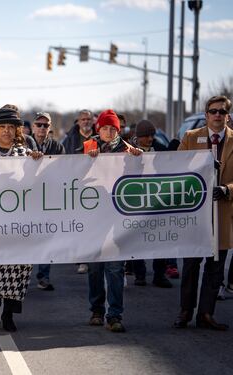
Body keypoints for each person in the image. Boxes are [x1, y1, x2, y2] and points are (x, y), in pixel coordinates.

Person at [0, 105, 43, 332]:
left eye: (10, 127)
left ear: (17, 131)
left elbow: (35, 185)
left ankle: (9, 313)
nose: (6, 131)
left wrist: (37, 164)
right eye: (2, 127)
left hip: (17, 223)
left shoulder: (25, 155)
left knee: (17, 269)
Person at [174, 95, 233, 331]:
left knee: (215, 267)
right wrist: (200, 166)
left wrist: (226, 189)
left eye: (222, 111)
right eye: (213, 111)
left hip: (223, 213)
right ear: (206, 114)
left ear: (228, 115)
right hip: (195, 215)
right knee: (190, 266)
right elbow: (175, 167)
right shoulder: (190, 138)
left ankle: (206, 314)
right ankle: (185, 311)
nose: (217, 115)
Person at [85, 109, 142, 333]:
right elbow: (74, 173)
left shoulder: (128, 150)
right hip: (94, 216)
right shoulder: (90, 146)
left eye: (113, 128)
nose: (108, 132)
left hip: (118, 215)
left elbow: (137, 180)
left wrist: (138, 161)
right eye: (105, 127)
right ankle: (96, 310)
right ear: (98, 128)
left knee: (116, 267)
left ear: (118, 130)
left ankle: (115, 314)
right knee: (95, 267)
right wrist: (87, 161)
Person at [129, 120, 173, 289]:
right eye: (146, 136)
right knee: (137, 237)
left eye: (152, 135)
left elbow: (171, 163)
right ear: (138, 137)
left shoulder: (160, 147)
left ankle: (159, 275)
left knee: (159, 238)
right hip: (136, 200)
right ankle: (139, 274)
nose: (149, 139)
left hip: (156, 199)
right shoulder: (128, 150)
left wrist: (173, 151)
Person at [30, 112, 65, 291]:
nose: (42, 128)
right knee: (25, 237)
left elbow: (64, 171)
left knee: (45, 238)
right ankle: (22, 275)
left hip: (48, 199)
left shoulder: (57, 147)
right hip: (26, 199)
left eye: (46, 125)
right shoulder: (24, 144)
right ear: (33, 126)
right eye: (39, 124)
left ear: (49, 128)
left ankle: (43, 276)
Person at [63, 109, 95, 274]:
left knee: (93, 224)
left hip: (96, 186)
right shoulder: (69, 139)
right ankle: (82, 259)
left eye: (89, 119)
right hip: (77, 186)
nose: (86, 122)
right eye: (83, 119)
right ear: (78, 121)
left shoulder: (100, 137)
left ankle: (92, 257)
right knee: (80, 223)